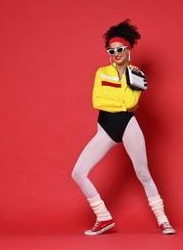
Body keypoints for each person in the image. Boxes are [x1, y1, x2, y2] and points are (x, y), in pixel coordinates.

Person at [71, 19, 176, 236]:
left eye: (120, 49)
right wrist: (123, 105)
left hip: (129, 125)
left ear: (128, 49)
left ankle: (163, 220)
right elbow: (97, 102)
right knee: (78, 173)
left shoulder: (136, 75)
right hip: (106, 127)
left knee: (143, 173)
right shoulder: (102, 72)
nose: (116, 53)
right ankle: (103, 217)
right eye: (112, 50)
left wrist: (124, 102)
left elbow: (130, 105)